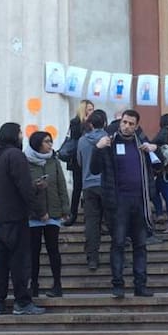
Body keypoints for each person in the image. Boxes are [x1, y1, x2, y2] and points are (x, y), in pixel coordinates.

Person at [90, 109, 158, 298]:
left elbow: (159, 167)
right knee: (118, 244)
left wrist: (155, 149)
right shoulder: (109, 143)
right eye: (124, 122)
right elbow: (94, 170)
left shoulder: (141, 145)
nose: (127, 126)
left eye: (130, 123)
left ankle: (140, 285)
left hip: (140, 201)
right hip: (118, 203)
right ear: (120, 123)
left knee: (140, 246)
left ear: (136, 126)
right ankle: (118, 285)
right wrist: (98, 148)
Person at [0, 122, 45, 315]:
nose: (22, 136)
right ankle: (22, 301)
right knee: (20, 261)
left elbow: (6, 186)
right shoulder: (15, 155)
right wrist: (39, 210)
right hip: (16, 216)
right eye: (20, 133)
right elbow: (24, 188)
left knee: (1, 262)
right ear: (14, 135)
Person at [25, 130, 68, 298]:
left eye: (50, 141)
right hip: (34, 215)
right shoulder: (26, 161)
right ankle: (33, 285)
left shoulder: (53, 161)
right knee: (33, 252)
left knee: (53, 250)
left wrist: (65, 208)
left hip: (53, 212)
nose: (50, 144)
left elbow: (61, 185)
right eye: (46, 141)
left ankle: (57, 284)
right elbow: (25, 188)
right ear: (37, 144)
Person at [77, 109, 110, 271]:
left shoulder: (82, 141)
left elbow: (79, 162)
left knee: (91, 223)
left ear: (90, 123)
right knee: (113, 221)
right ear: (104, 122)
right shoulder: (108, 139)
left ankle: (92, 258)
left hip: (88, 185)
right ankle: (118, 255)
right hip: (106, 184)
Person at [63, 100, 94, 226]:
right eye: (90, 109)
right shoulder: (75, 122)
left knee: (90, 188)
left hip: (90, 158)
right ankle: (73, 214)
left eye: (92, 109)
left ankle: (89, 215)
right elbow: (76, 137)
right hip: (77, 159)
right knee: (77, 187)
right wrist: (85, 123)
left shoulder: (94, 122)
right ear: (84, 109)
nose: (92, 111)